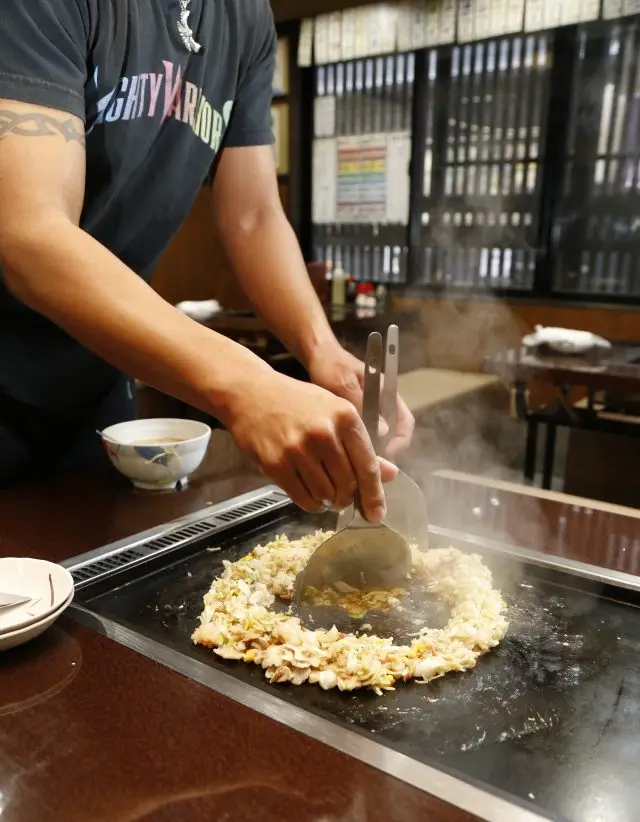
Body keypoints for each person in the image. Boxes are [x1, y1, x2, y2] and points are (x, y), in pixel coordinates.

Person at [0, 0, 414, 516]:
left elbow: (254, 214)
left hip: (98, 374)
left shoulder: (244, 18)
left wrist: (321, 350)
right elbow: (30, 233)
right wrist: (248, 385)